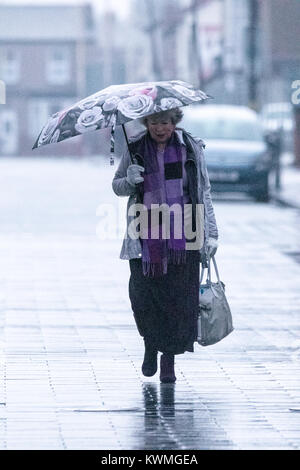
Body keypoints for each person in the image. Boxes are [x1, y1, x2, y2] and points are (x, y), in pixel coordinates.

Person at [112, 108, 218, 383]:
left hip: (185, 234)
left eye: (166, 123)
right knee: (143, 297)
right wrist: (130, 179)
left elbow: (203, 190)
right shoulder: (135, 148)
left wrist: (211, 234)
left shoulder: (190, 148)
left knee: (177, 301)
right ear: (146, 123)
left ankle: (168, 357)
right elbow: (117, 186)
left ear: (175, 123)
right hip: (144, 235)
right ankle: (150, 343)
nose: (161, 129)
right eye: (155, 123)